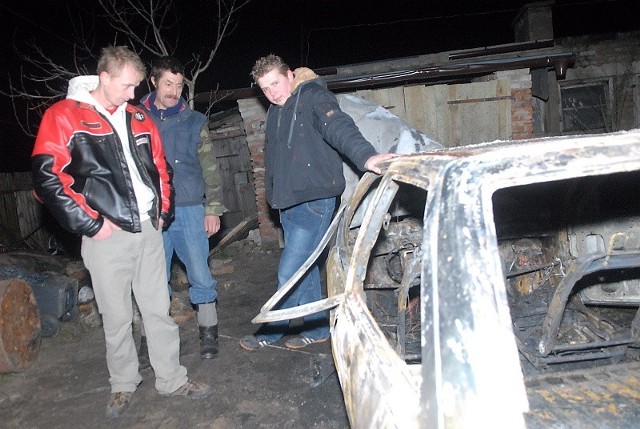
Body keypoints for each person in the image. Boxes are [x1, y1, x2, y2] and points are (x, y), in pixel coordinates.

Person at [31, 46, 212, 419]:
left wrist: (163, 211)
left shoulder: (137, 117)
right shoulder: (64, 116)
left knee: (158, 310)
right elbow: (47, 179)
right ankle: (123, 383)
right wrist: (91, 224)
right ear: (106, 77)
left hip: (148, 229)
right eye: (128, 86)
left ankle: (172, 379)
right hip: (105, 236)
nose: (134, 94)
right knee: (116, 317)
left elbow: (160, 169)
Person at [239, 54, 396, 351]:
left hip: (315, 201)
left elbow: (339, 127)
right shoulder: (275, 112)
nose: (272, 93)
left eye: (276, 83)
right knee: (306, 267)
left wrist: (366, 156)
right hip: (287, 204)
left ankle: (272, 331)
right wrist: (274, 197)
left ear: (290, 75)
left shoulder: (312, 96)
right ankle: (318, 327)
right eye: (265, 89)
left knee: (290, 270)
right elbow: (272, 158)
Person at [139, 56, 226, 360]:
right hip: (150, 211)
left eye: (178, 85)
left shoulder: (194, 121)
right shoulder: (135, 118)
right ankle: (152, 340)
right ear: (153, 81)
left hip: (189, 207)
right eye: (168, 84)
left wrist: (213, 207)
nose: (174, 91)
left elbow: (210, 167)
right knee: (152, 276)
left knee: (200, 271)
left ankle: (208, 331)